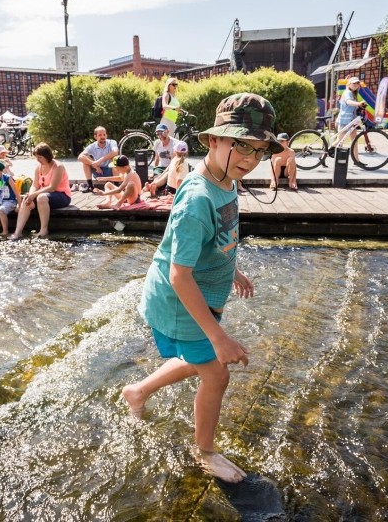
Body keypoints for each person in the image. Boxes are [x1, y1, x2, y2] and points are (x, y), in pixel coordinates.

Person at [121, 92, 282, 483]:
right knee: (216, 373)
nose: (250, 158)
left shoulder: (225, 179)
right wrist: (220, 336)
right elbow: (180, 274)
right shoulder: (196, 198)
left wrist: (233, 268)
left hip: (202, 292)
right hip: (181, 299)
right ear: (213, 140)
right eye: (241, 145)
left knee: (199, 360)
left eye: (259, 150)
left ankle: (137, 391)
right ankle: (205, 452)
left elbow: (218, 237)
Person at [10, 143, 71, 240]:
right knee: (26, 200)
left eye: (40, 157)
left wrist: (34, 194)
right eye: (36, 157)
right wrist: (30, 195)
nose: (38, 160)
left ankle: (43, 230)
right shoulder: (38, 167)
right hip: (43, 194)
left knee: (41, 197)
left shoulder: (58, 166)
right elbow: (35, 185)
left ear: (47, 156)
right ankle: (18, 232)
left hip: (62, 195)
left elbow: (53, 187)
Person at [77, 126, 118, 192]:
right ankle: (90, 186)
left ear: (106, 135)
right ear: (95, 137)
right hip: (98, 171)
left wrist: (100, 160)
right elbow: (80, 157)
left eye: (104, 134)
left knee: (114, 158)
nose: (103, 137)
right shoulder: (92, 146)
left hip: (110, 171)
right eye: (100, 135)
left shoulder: (112, 142)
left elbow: (115, 152)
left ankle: (116, 186)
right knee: (85, 161)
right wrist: (95, 165)